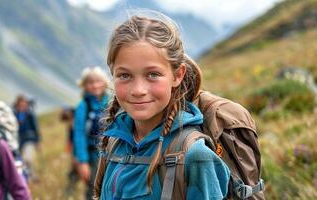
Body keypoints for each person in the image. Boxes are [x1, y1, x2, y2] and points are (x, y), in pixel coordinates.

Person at [93, 12, 230, 200]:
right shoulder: (114, 143)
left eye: (152, 74)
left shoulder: (195, 156)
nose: (138, 90)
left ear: (177, 75)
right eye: (125, 75)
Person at [73, 66, 110, 200]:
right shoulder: (83, 106)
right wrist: (82, 162)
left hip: (113, 154)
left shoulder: (113, 102)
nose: (95, 85)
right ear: (84, 85)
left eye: (98, 81)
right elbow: (79, 135)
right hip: (93, 157)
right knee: (93, 192)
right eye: (90, 82)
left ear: (104, 82)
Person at [13, 94, 41, 182]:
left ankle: (30, 175)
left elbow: (35, 127)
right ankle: (25, 176)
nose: (23, 105)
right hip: (19, 140)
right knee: (20, 160)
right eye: (21, 104)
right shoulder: (15, 115)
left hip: (30, 139)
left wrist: (37, 141)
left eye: (24, 103)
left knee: (27, 158)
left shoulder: (29, 114)